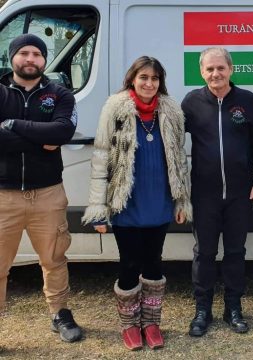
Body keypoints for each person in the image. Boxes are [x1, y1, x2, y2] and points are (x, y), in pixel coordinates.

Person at [82, 56, 192, 351]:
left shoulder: (170, 110)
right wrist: (98, 209)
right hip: (125, 203)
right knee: (129, 265)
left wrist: (181, 200)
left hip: (159, 202)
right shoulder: (116, 108)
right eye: (143, 77)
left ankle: (152, 322)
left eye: (154, 78)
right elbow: (101, 156)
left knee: (154, 264)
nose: (149, 83)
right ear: (132, 79)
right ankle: (130, 325)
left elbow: (180, 158)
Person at [181, 47, 253, 337]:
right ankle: (202, 310)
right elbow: (171, 143)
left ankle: (234, 308)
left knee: (235, 252)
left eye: (220, 68)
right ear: (201, 72)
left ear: (231, 69)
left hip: (239, 194)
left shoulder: (246, 101)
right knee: (204, 253)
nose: (215, 74)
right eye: (209, 69)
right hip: (204, 194)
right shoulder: (192, 102)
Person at [0, 34, 82, 343]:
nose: (30, 58)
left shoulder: (60, 95)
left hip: (47, 194)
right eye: (24, 52)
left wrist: (12, 126)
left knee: (54, 259)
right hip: (3, 194)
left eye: (37, 53)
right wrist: (41, 139)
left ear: (44, 60)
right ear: (13, 58)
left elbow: (62, 131)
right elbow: (49, 136)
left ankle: (59, 313)